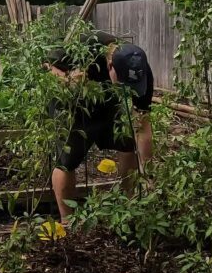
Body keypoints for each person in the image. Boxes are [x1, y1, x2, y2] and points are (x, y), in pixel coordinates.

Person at [45, 31, 154, 223]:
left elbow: (142, 124)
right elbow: (46, 65)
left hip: (106, 100)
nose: (128, 90)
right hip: (71, 101)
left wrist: (147, 173)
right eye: (123, 84)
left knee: (127, 141)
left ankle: (128, 203)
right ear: (110, 66)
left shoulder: (141, 71)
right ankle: (67, 221)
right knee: (68, 157)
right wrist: (68, 79)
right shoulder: (86, 45)